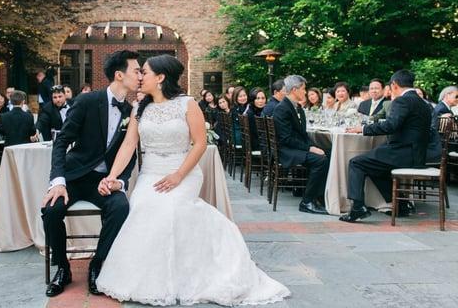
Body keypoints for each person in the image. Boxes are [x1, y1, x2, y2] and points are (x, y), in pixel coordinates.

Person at [95, 54, 290, 306]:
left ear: (161, 77)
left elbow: (199, 144)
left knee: (172, 209)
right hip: (151, 174)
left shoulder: (187, 104)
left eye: (145, 72)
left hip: (183, 172)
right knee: (142, 206)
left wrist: (178, 175)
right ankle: (148, 278)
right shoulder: (139, 108)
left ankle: (193, 271)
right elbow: (129, 144)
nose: (140, 77)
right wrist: (112, 176)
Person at [41, 50, 140, 297]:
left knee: (120, 207)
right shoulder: (86, 101)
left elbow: (131, 154)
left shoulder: (132, 111)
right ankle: (63, 269)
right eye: (136, 70)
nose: (140, 75)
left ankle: (98, 264)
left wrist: (119, 181)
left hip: (104, 181)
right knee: (51, 210)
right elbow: (61, 142)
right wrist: (58, 181)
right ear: (119, 75)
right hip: (75, 176)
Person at [342, 70, 432, 222]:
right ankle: (401, 205)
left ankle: (357, 207)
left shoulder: (402, 101)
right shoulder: (423, 103)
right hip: (418, 154)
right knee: (374, 166)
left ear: (394, 85)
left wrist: (363, 129)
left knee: (356, 163)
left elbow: (391, 125)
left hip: (403, 153)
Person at [273, 75, 329, 215]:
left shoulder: (297, 107)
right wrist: (310, 148)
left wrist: (315, 147)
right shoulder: (282, 108)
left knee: (327, 151)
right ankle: (307, 201)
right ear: (294, 89)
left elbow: (303, 135)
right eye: (303, 89)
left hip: (294, 147)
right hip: (286, 151)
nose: (305, 92)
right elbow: (286, 139)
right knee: (320, 160)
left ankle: (320, 198)